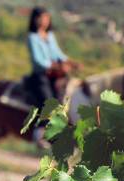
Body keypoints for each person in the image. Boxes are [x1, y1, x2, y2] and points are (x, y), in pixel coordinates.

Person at [25, 6, 81, 148]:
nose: (45, 21)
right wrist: (55, 67)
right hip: (41, 76)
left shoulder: (50, 36)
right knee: (48, 101)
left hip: (54, 75)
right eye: (42, 18)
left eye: (47, 18)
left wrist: (70, 62)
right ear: (35, 19)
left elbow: (58, 54)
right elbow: (39, 61)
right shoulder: (32, 38)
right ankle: (39, 133)